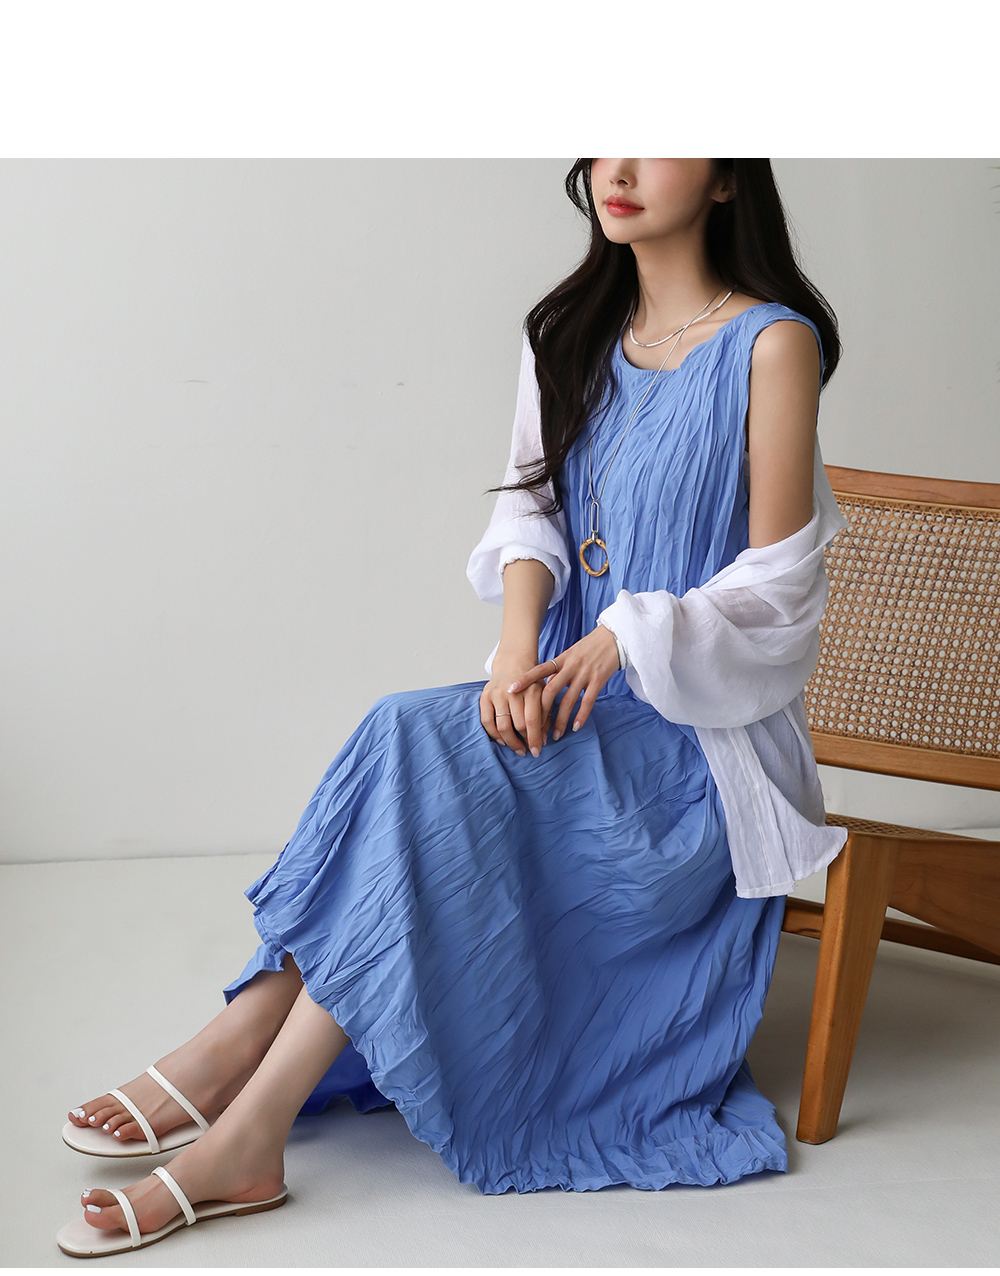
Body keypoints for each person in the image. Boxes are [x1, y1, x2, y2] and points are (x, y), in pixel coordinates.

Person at [56, 158, 850, 1258]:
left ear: (726, 179)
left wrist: (626, 635)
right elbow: (530, 509)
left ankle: (242, 1083)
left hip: (694, 758)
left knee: (425, 753)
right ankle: (244, 1084)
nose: (619, 168)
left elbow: (780, 591)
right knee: (417, 732)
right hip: (564, 713)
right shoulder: (566, 332)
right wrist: (518, 646)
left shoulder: (771, 345)